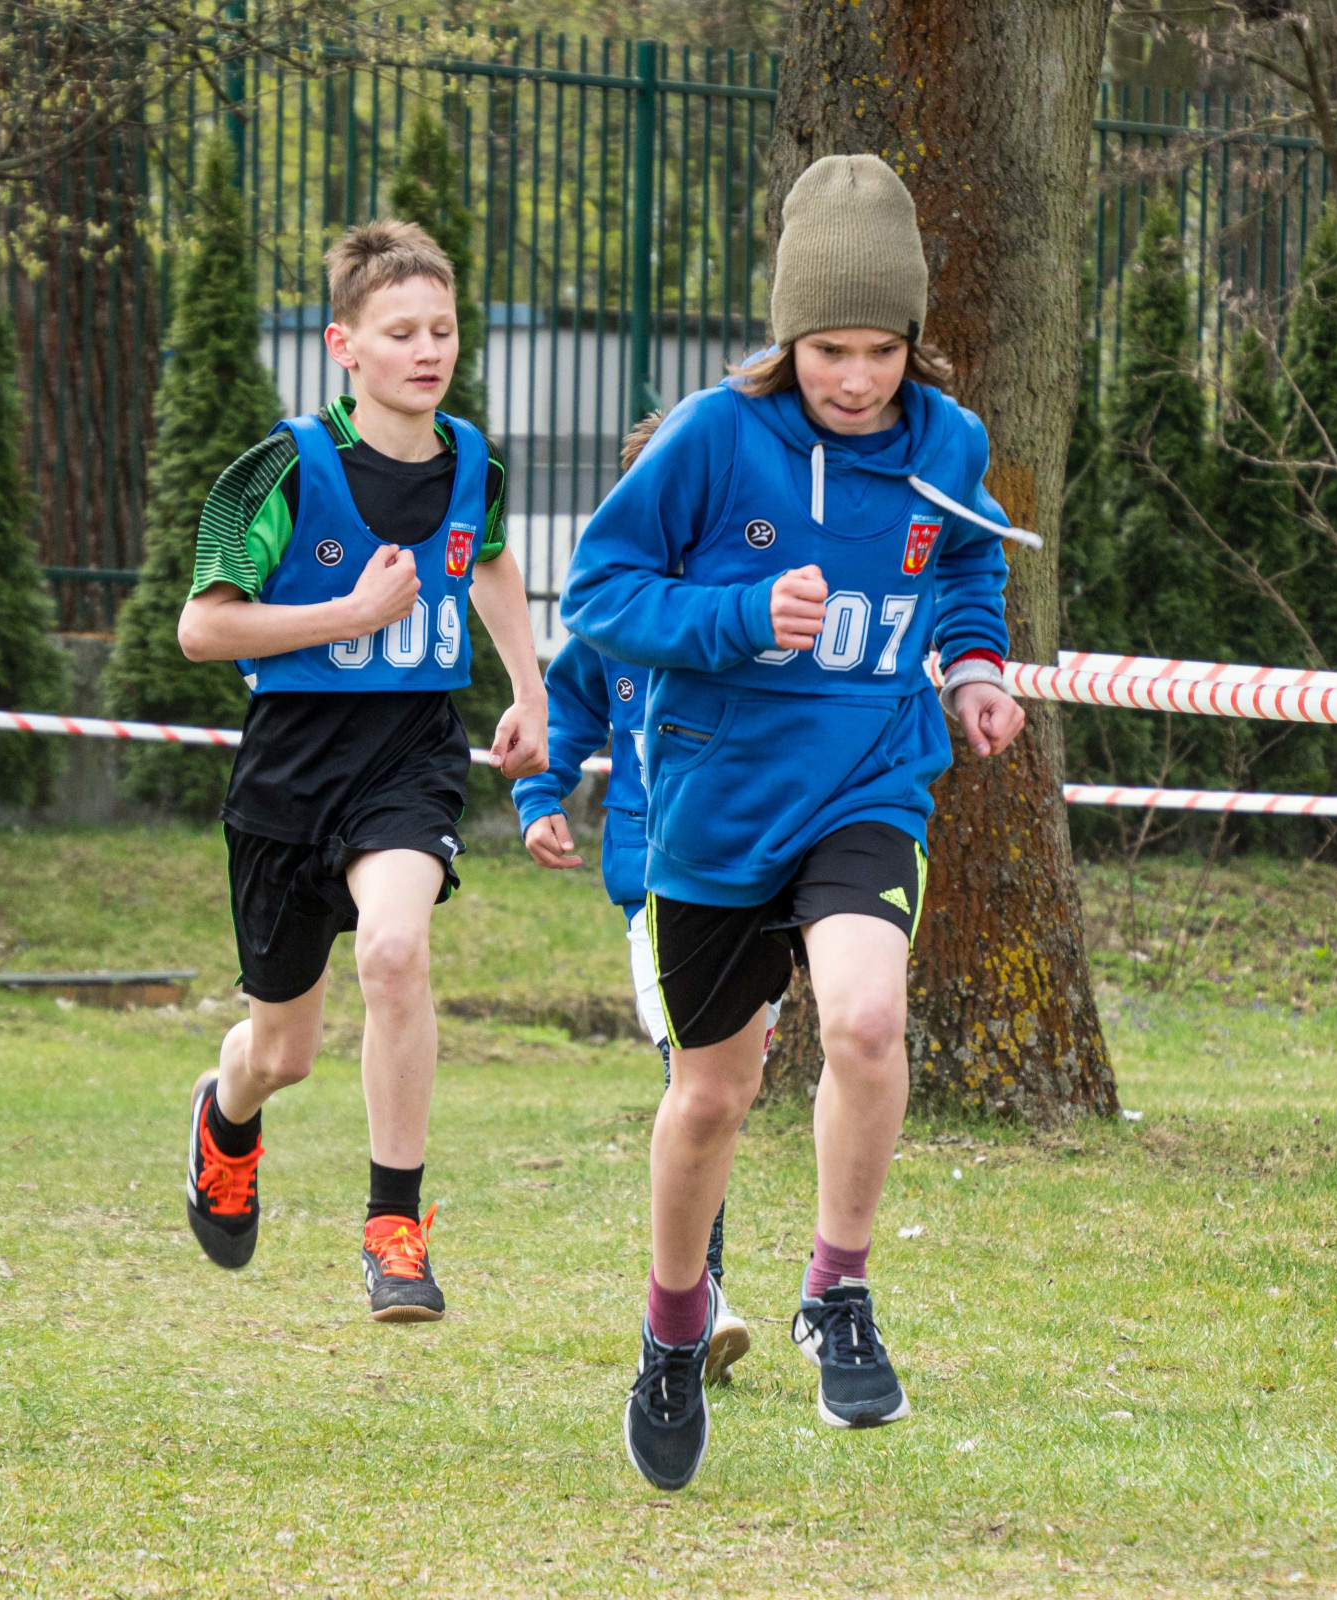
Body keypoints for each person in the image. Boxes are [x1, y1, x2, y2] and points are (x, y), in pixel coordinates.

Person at [560, 153, 1028, 1491]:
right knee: (714, 1094)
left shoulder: (948, 442)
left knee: (868, 1023)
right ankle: (672, 1327)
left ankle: (839, 1289)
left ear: (913, 341)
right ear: (788, 338)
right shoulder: (714, 436)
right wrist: (738, 617)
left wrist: (974, 669)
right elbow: (598, 595)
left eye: (883, 349)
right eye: (831, 350)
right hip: (717, 809)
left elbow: (970, 561)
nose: (859, 379)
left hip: (870, 782)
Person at [173, 218, 547, 1322]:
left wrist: (528, 687)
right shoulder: (280, 468)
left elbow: (488, 559)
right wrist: (350, 612)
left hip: (409, 756)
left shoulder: (474, 461)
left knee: (393, 949)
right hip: (290, 768)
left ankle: (394, 1227)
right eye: (400, 333)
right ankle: (226, 1113)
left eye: (443, 329)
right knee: (281, 1053)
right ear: (343, 344)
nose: (428, 351)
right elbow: (201, 629)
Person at [511, 415, 766, 1386]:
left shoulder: (764, 600)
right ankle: (700, 1301)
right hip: (657, 890)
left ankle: (706, 1300)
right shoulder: (614, 617)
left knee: (725, 1090)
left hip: (761, 875)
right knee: (693, 1079)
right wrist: (541, 796)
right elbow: (566, 710)